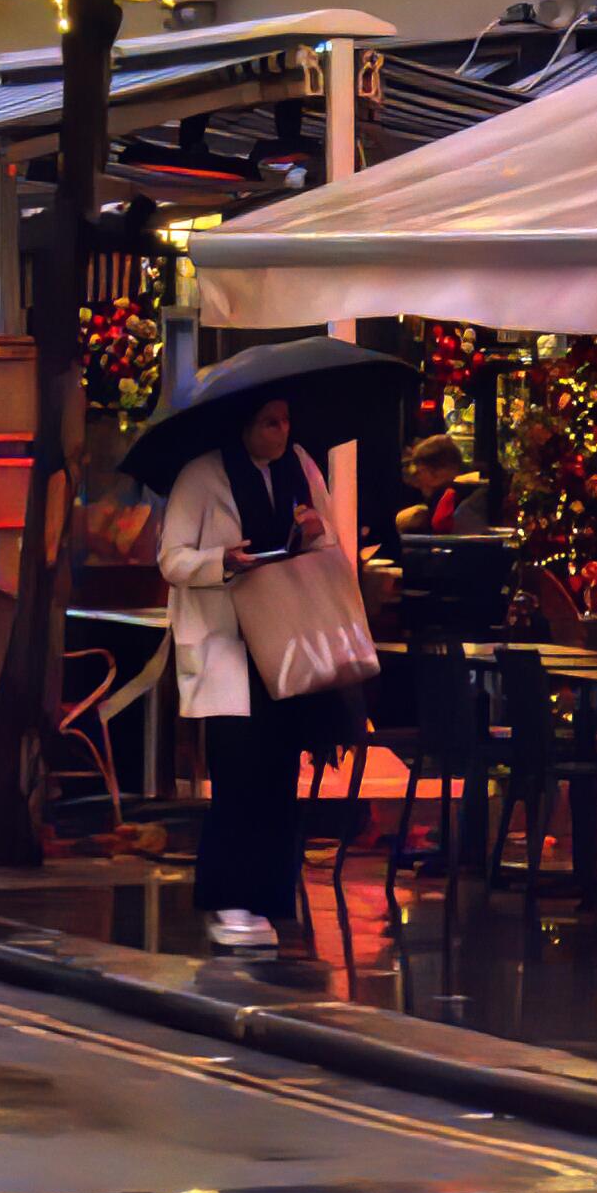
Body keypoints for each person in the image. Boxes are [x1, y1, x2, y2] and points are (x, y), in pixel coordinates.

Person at [159, 384, 365, 956]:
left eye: (285, 422)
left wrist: (312, 535)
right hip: (230, 642)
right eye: (270, 423)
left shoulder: (300, 466)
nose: (281, 433)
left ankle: (270, 897)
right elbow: (171, 558)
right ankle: (230, 898)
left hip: (289, 637)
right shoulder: (203, 476)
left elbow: (328, 538)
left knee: (278, 778)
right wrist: (220, 561)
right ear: (244, 425)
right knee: (237, 777)